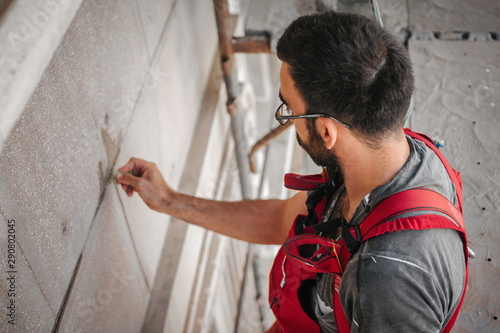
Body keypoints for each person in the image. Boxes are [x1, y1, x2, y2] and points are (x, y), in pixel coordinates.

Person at [116, 11, 467, 333]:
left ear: (328, 132)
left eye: (289, 111)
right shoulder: (392, 156)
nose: (286, 120)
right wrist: (169, 201)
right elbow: (280, 221)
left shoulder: (385, 283)